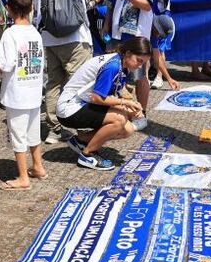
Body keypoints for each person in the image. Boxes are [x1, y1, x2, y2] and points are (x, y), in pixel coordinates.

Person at [32, 0, 93, 144]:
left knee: (53, 83)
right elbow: (84, 3)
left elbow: (38, 1)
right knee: (80, 83)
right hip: (75, 35)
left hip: (49, 34)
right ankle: (82, 128)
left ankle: (54, 130)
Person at [57, 37, 151, 170]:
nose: (140, 66)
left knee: (127, 130)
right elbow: (97, 98)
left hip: (82, 101)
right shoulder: (112, 66)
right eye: (139, 61)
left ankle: (81, 140)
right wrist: (125, 102)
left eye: (143, 63)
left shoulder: (121, 63)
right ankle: (87, 154)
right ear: (128, 53)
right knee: (119, 119)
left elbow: (110, 95)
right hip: (70, 107)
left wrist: (130, 106)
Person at [0, 0, 46, 189]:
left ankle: (23, 177)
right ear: (31, 7)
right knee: (33, 131)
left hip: (17, 92)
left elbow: (6, 64)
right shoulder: (35, 32)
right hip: (34, 89)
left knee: (18, 135)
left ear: (8, 8)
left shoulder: (10, 34)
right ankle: (39, 166)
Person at [104, 0, 155, 127]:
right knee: (116, 71)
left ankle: (141, 112)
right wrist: (107, 22)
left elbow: (148, 5)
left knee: (140, 75)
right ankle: (119, 109)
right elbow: (111, 0)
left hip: (138, 33)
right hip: (118, 31)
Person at [146, 0, 179, 91]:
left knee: (159, 48)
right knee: (145, 46)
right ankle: (145, 77)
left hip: (161, 12)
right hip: (145, 12)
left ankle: (159, 77)